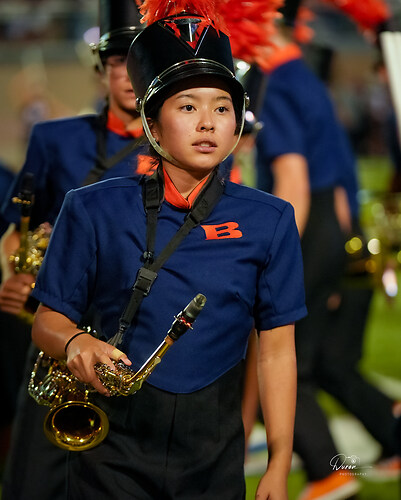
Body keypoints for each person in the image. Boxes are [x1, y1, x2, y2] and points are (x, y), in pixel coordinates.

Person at [30, 2, 307, 499]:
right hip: (110, 450)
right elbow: (47, 320)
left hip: (213, 450)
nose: (208, 123)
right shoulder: (91, 208)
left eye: (221, 107)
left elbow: (277, 351)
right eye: (187, 107)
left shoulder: (270, 219)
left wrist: (279, 462)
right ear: (153, 126)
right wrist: (75, 344)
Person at [0, 1, 147, 498]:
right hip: (56, 332)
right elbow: (18, 229)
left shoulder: (178, 150)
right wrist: (16, 275)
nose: (129, 77)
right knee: (33, 481)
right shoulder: (54, 139)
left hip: (131, 339)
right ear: (101, 69)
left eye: (141, 63)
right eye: (118, 63)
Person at [254, 2, 360, 498]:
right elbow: (336, 183)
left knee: (274, 360)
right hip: (327, 225)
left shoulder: (277, 83)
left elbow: (292, 178)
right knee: (304, 362)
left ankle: (328, 469)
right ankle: (332, 467)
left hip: (302, 225)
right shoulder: (307, 78)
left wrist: (275, 255)